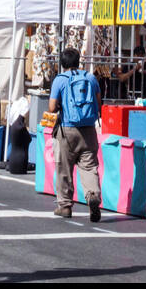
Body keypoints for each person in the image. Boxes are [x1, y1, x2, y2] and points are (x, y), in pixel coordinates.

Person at [48, 47, 102, 222]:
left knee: (64, 168)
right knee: (89, 167)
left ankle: (64, 206)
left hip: (67, 129)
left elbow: (51, 107)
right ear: (79, 61)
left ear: (62, 63)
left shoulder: (60, 80)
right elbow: (99, 104)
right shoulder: (91, 78)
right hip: (89, 130)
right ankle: (92, 194)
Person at [6, 98, 32, 175]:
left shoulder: (15, 125)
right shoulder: (20, 127)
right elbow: (28, 139)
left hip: (15, 162)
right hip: (20, 163)